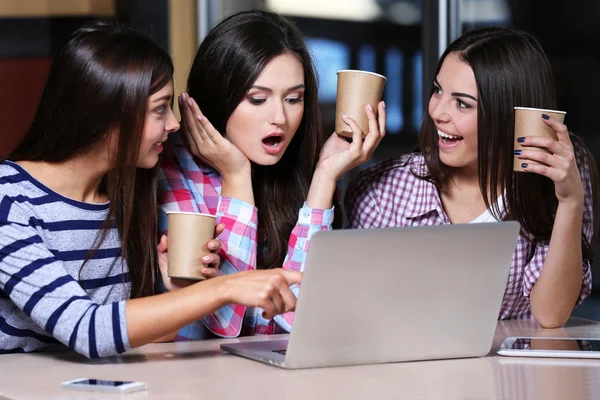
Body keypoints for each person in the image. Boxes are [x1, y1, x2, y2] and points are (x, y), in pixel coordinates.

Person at [0, 22, 301, 358]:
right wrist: (225, 288)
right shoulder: (9, 200)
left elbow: (135, 338)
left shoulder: (120, 196)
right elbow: (87, 330)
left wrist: (176, 291)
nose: (173, 125)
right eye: (160, 109)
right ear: (108, 114)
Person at [345, 27, 599, 328]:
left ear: (506, 115)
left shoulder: (559, 170)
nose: (438, 112)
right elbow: (367, 319)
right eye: (437, 90)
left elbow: (551, 313)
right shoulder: (385, 192)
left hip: (514, 374)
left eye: (462, 103)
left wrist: (570, 201)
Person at [158, 10, 386, 338]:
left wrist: (324, 179)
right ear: (216, 97)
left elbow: (302, 318)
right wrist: (236, 175)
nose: (279, 116)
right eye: (258, 99)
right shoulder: (170, 168)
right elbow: (226, 322)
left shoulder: (300, 165)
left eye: (294, 99)